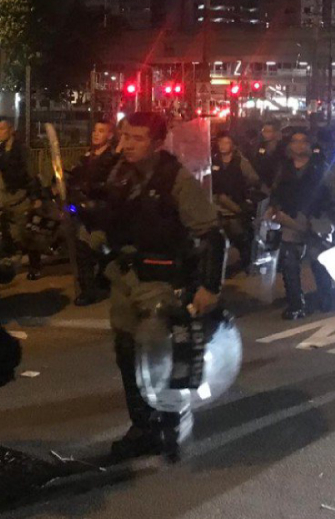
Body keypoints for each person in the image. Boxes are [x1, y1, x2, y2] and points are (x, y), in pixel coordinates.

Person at [99, 112, 225, 461]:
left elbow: (211, 233)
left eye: (137, 138)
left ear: (156, 143)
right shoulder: (120, 173)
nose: (127, 144)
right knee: (127, 355)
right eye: (124, 136)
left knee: (158, 355)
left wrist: (209, 285)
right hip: (126, 276)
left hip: (163, 278)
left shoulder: (176, 178)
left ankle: (170, 418)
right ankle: (142, 424)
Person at [269, 128, 335, 320]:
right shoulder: (285, 167)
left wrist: (334, 220)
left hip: (316, 218)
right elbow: (276, 191)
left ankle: (325, 296)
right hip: (290, 218)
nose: (299, 145)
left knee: (318, 260)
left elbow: (333, 193)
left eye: (303, 141)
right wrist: (275, 208)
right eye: (295, 141)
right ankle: (295, 303)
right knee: (289, 262)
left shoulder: (320, 166)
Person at [67, 119, 121, 306]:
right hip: (84, 213)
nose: (96, 134)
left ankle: (104, 280)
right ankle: (88, 290)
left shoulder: (113, 158)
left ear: (110, 135)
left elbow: (110, 184)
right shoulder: (86, 157)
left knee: (101, 249)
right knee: (82, 248)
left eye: (101, 131)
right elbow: (73, 177)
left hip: (102, 214)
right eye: (95, 130)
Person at [0, 116, 42, 279]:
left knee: (25, 232)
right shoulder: (0, 151)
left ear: (11, 130)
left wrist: (35, 196)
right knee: (8, 232)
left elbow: (31, 172)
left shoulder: (21, 149)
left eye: (2, 129)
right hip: (7, 196)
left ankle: (35, 265)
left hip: (21, 195)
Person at [211, 131, 265, 273]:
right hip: (218, 206)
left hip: (235, 206)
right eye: (221, 143)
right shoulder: (213, 161)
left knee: (239, 236)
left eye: (227, 143)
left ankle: (247, 261)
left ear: (233, 145)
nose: (223, 146)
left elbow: (253, 179)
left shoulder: (240, 161)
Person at [251, 120, 287, 185]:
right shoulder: (260, 146)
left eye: (269, 131)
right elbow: (256, 162)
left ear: (275, 132)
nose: (265, 134)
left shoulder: (282, 148)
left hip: (278, 182)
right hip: (262, 182)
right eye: (264, 131)